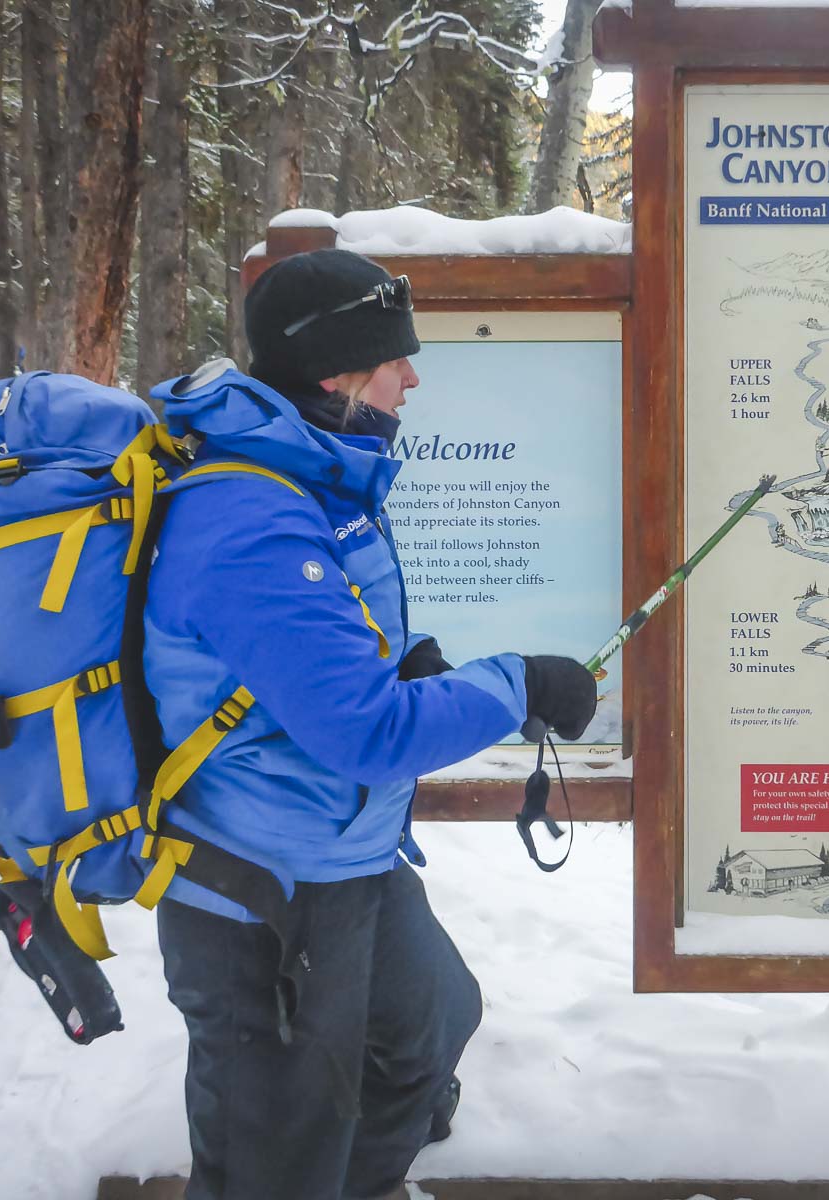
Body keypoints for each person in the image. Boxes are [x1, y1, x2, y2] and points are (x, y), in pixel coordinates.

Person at [143, 248, 597, 1200]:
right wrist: (518, 684)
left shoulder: (314, 475)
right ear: (335, 372)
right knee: (273, 1162)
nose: (413, 376)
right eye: (397, 358)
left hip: (341, 853)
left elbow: (324, 651)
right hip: (261, 891)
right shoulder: (249, 518)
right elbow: (362, 731)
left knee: (427, 1027)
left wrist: (411, 658)